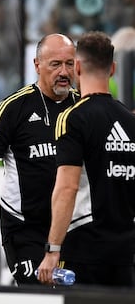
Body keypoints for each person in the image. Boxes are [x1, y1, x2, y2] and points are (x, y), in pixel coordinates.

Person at [0, 33, 78, 285]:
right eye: (55, 64)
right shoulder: (13, 107)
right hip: (24, 227)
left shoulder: (81, 107)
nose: (64, 72)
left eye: (69, 64)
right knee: (38, 294)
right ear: (37, 65)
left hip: (71, 228)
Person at [37, 31, 135, 287]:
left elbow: (67, 188)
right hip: (126, 255)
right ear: (112, 69)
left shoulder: (72, 118)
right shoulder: (130, 120)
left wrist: (53, 249)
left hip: (85, 251)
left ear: (77, 67)